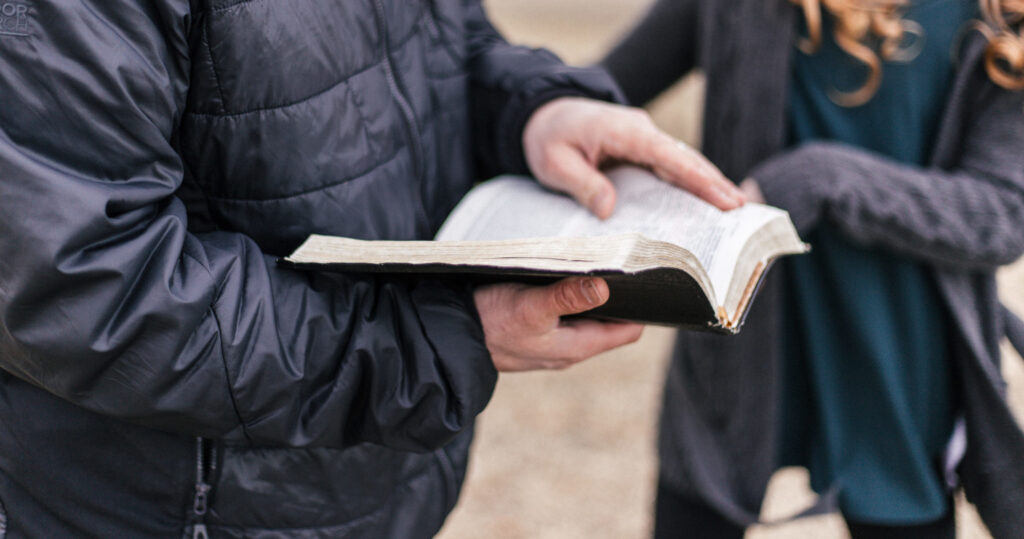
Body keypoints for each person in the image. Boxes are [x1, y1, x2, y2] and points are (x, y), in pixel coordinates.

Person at [0, 1, 745, 537]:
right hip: (167, 507)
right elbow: (87, 282)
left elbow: (441, 39)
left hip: (375, 480)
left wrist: (529, 111)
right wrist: (430, 345)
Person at [602, 0, 1024, 537]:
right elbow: (596, 94)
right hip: (738, 343)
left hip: (901, 364)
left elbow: (1001, 216)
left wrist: (819, 179)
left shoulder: (1003, 17)